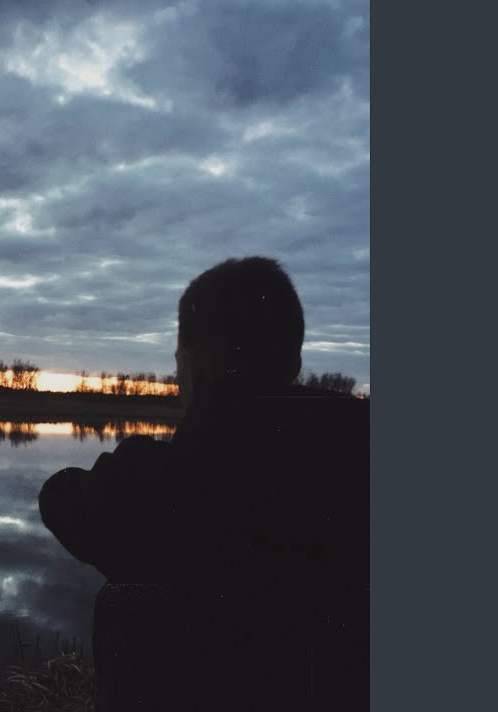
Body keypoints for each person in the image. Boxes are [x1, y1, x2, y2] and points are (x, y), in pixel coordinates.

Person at [38, 257, 368, 710]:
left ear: (193, 368)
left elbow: (61, 498)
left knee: (126, 598)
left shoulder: (167, 481)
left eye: (178, 363)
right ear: (294, 364)